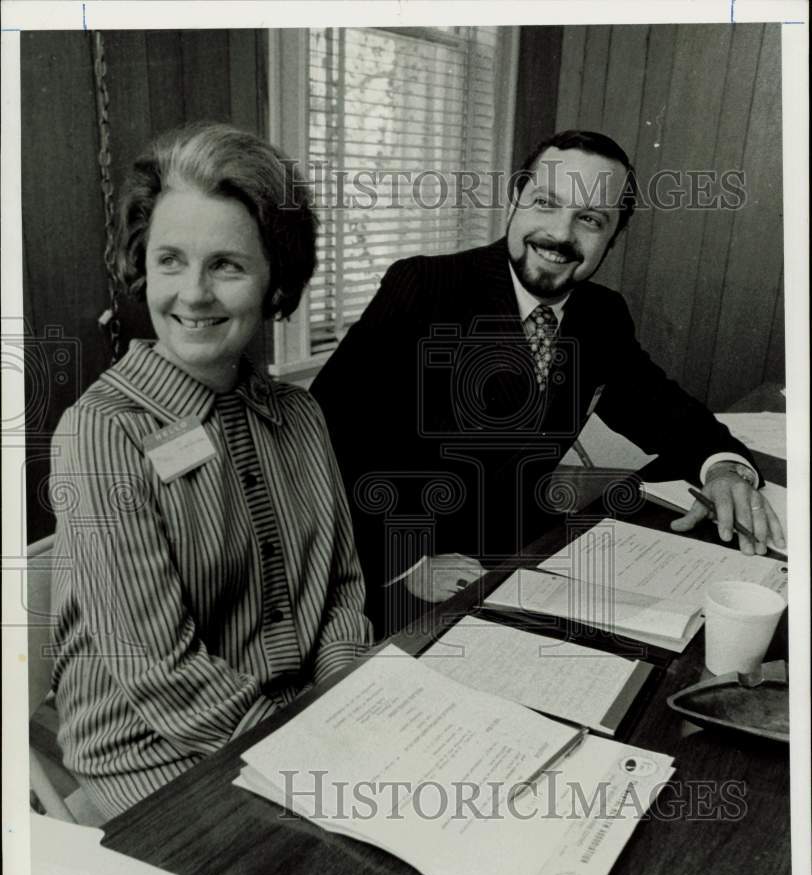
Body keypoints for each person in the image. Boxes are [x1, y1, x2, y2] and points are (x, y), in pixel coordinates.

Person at [310, 130, 785, 633]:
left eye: (590, 219)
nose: (561, 235)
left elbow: (665, 411)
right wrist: (410, 561)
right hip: (404, 578)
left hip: (529, 560)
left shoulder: (601, 314)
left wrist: (725, 469)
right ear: (516, 199)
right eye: (546, 203)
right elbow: (322, 443)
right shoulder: (424, 287)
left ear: (612, 236)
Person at [49, 123, 372, 819]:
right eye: (170, 261)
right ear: (143, 267)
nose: (192, 295)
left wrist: (345, 697)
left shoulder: (300, 417)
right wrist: (314, 755)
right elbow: (162, 677)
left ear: (274, 281)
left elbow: (343, 590)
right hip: (155, 752)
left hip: (298, 725)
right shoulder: (102, 433)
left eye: (226, 265)